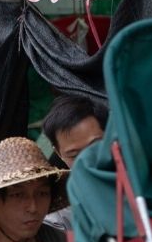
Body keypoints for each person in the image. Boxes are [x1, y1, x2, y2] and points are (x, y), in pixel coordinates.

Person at [41, 94, 107, 231]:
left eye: (95, 148)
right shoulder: (58, 217)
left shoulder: (146, 182)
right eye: (75, 155)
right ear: (59, 153)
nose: (88, 161)